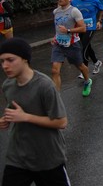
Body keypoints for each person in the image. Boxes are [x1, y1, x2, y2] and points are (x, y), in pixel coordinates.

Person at [0, 38, 71, 185]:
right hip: (18, 157)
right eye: (2, 61)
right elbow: (15, 108)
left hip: (48, 158)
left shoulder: (44, 86)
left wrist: (25, 117)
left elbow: (62, 122)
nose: (5, 66)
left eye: (10, 60)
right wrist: (6, 119)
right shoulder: (8, 85)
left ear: (25, 59)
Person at [51, 0, 92, 96]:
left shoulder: (74, 11)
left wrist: (68, 31)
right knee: (55, 70)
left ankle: (87, 81)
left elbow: (83, 28)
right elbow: (58, 27)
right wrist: (55, 37)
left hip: (72, 44)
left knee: (80, 66)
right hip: (58, 44)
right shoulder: (56, 11)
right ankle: (57, 97)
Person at [71, 0, 103, 75]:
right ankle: (96, 62)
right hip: (79, 27)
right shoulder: (74, 2)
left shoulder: (94, 1)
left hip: (90, 27)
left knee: (83, 47)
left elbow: (102, 9)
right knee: (87, 46)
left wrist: (99, 21)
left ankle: (84, 70)